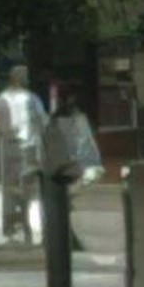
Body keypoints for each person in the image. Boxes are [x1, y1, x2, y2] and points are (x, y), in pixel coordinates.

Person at [0, 66, 46, 244]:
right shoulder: (33, 99)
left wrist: (3, 137)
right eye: (25, 76)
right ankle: (26, 228)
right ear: (19, 79)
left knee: (8, 190)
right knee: (28, 190)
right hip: (29, 149)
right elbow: (43, 121)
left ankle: (9, 228)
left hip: (6, 150)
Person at [47, 83, 103, 252]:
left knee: (64, 203)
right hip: (74, 166)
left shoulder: (58, 118)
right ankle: (70, 238)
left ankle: (67, 238)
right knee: (68, 203)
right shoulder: (77, 117)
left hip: (64, 166)